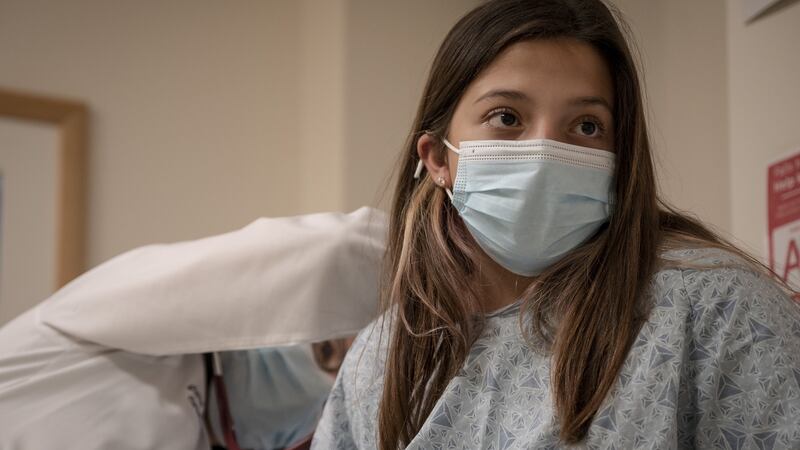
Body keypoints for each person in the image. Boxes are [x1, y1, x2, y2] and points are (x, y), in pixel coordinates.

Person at [310, 1, 800, 449]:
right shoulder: (382, 358)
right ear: (437, 156)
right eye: (506, 117)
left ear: (619, 154)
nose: (545, 152)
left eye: (586, 126)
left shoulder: (717, 309)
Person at [0, 208, 385, 450]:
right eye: (332, 356)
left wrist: (431, 260)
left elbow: (328, 255)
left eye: (328, 353)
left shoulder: (79, 320)